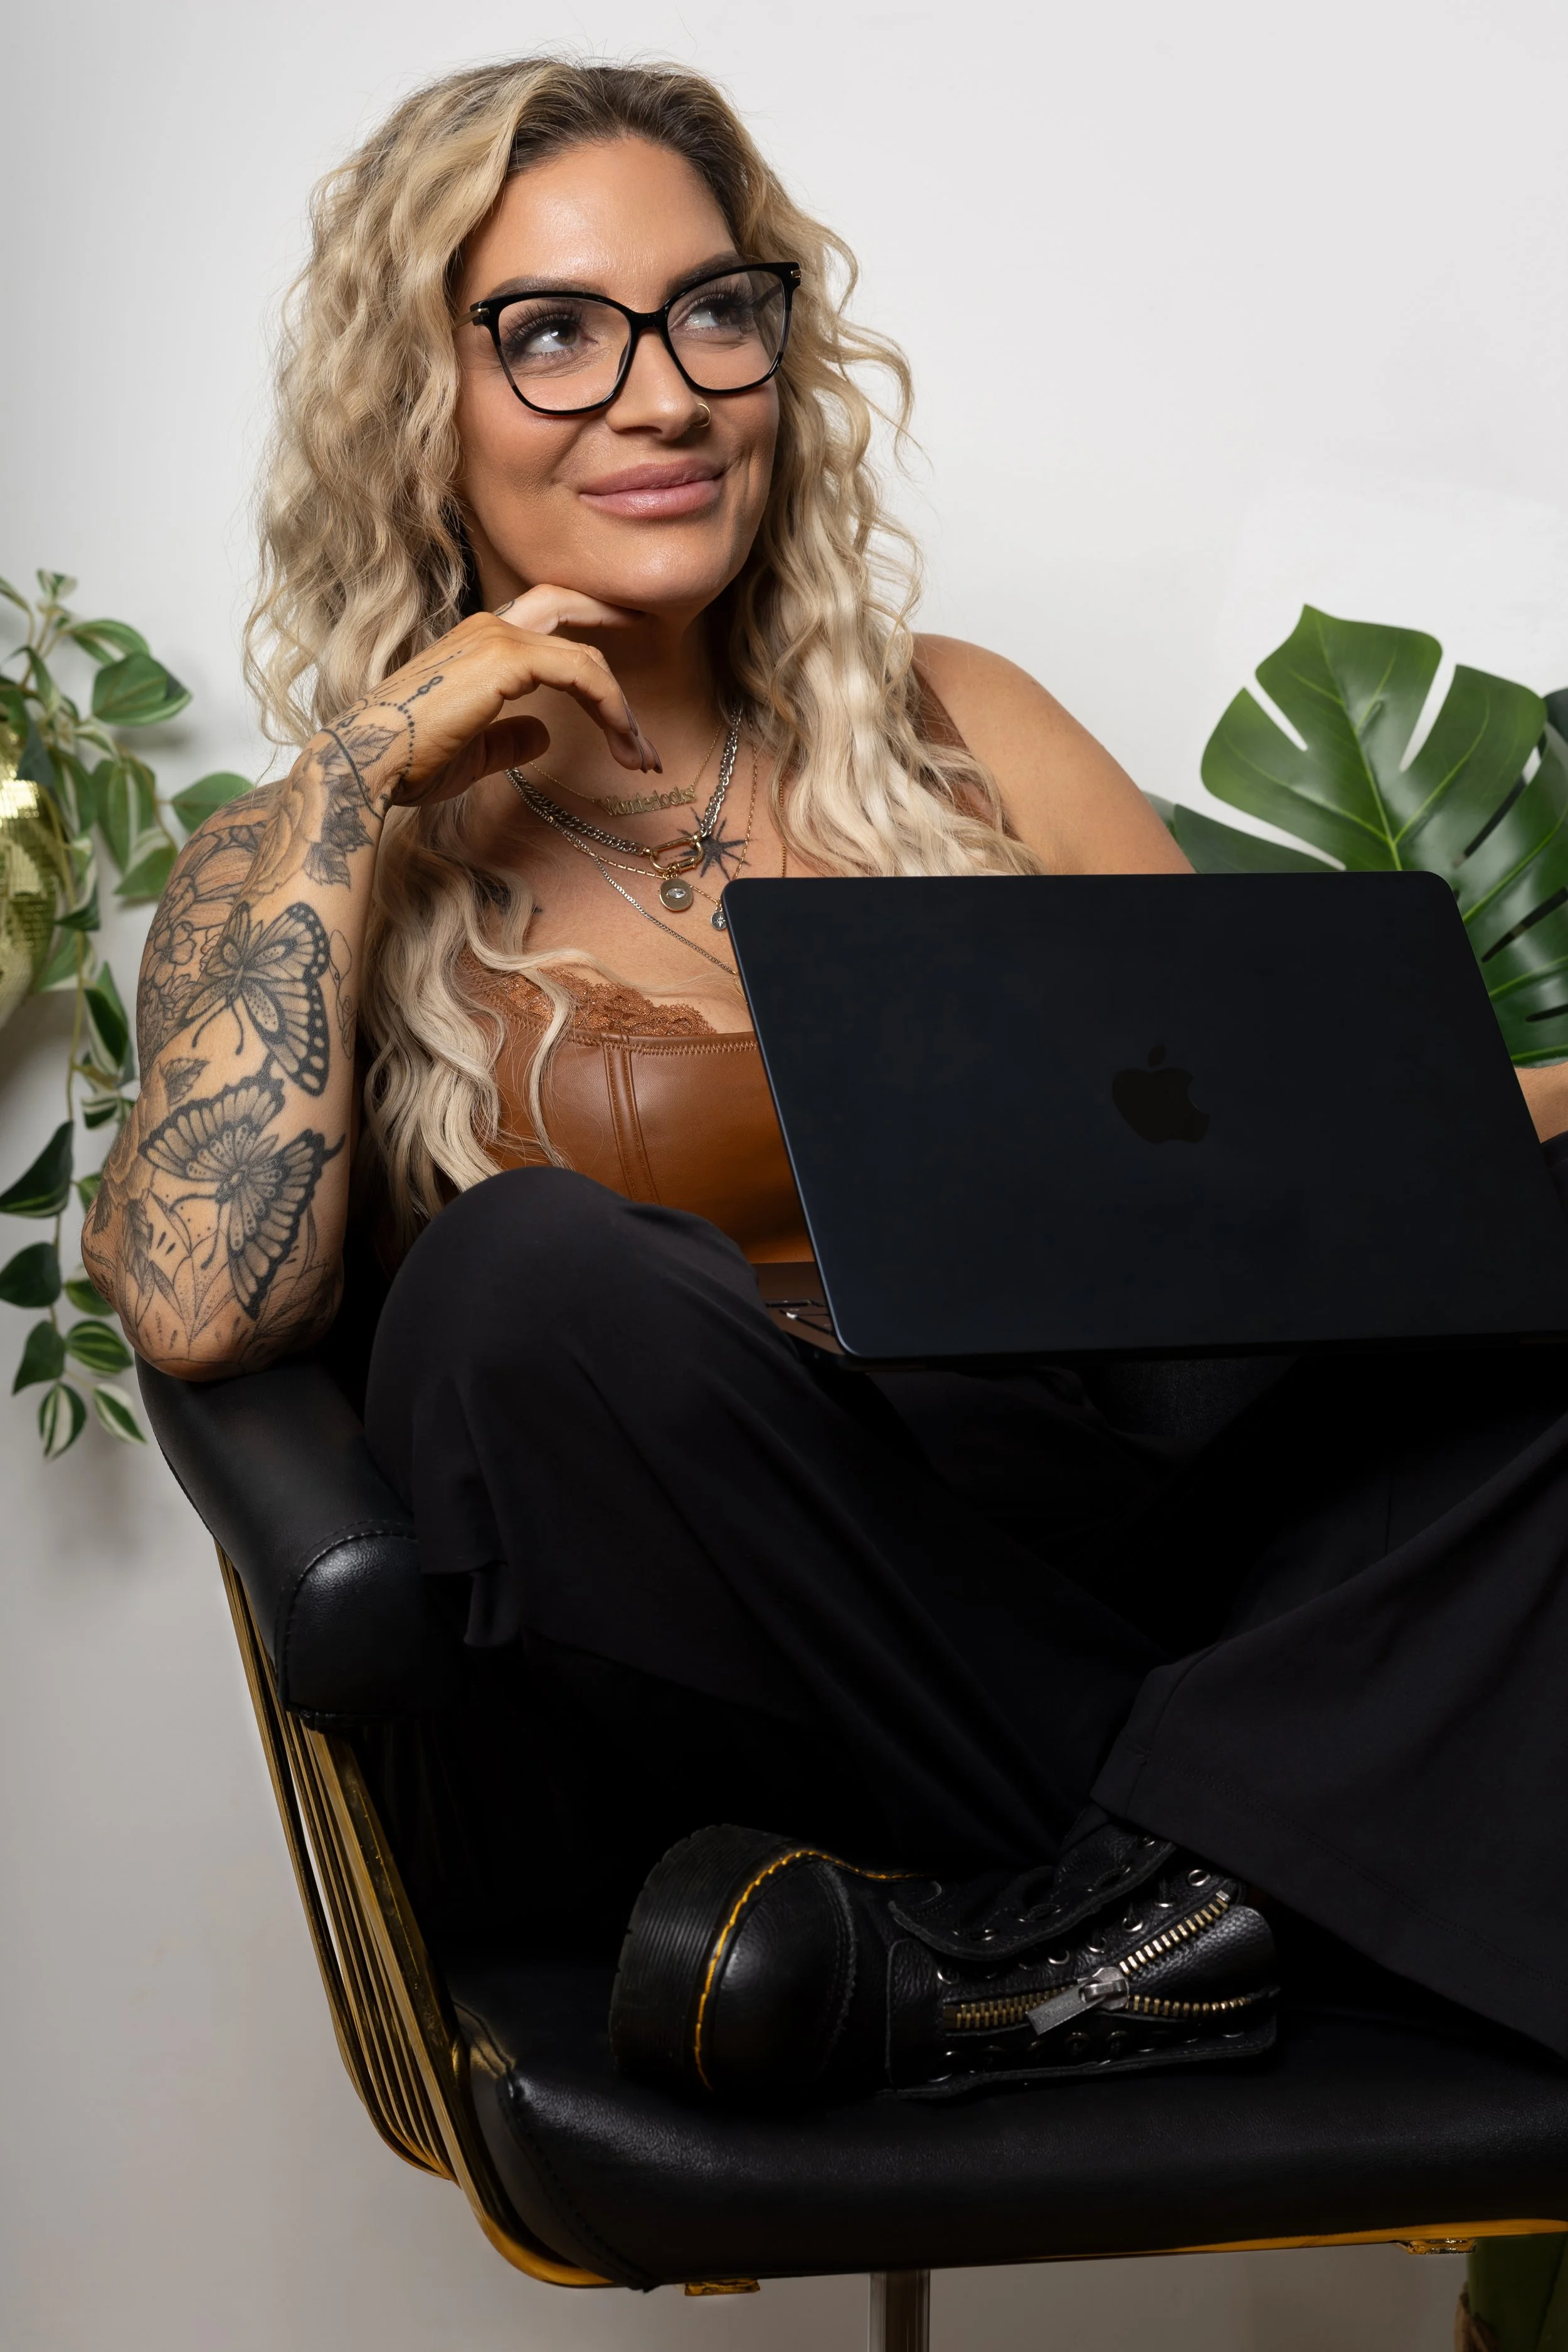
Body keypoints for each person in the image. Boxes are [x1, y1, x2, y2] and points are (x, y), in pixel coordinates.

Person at [86, 58, 1568, 2107]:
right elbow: (199, 1306)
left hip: (1122, 1576)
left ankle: (1093, 1934)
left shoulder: (967, 723)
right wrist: (358, 781)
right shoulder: (306, 857)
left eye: (715, 310)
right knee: (526, 1285)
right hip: (731, 1652)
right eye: (550, 334)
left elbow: (1305, 1149)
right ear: (415, 400)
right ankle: (1251, 1851)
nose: (663, 394)